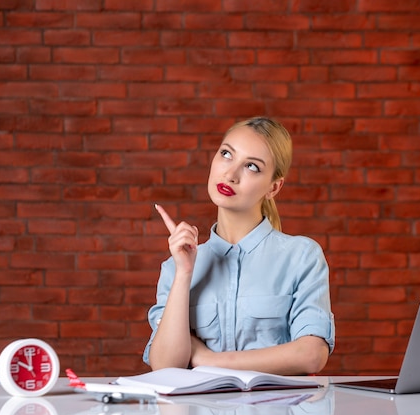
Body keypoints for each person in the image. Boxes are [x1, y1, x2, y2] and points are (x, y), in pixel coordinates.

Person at [143, 116, 335, 375]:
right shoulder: (175, 267)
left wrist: (207, 359)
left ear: (274, 187)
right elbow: (165, 366)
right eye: (226, 154)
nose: (230, 174)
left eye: (252, 167)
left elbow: (311, 355)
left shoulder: (301, 256)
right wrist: (185, 273)